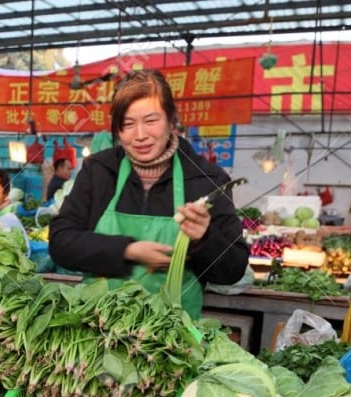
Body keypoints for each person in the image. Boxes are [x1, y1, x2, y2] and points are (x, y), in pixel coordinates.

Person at [48, 70, 248, 319]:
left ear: (171, 120)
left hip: (171, 342)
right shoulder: (99, 171)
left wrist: (205, 238)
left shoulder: (205, 179)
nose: (140, 135)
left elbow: (234, 269)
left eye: (151, 121)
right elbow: (61, 242)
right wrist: (128, 251)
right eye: (128, 124)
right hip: (96, 333)